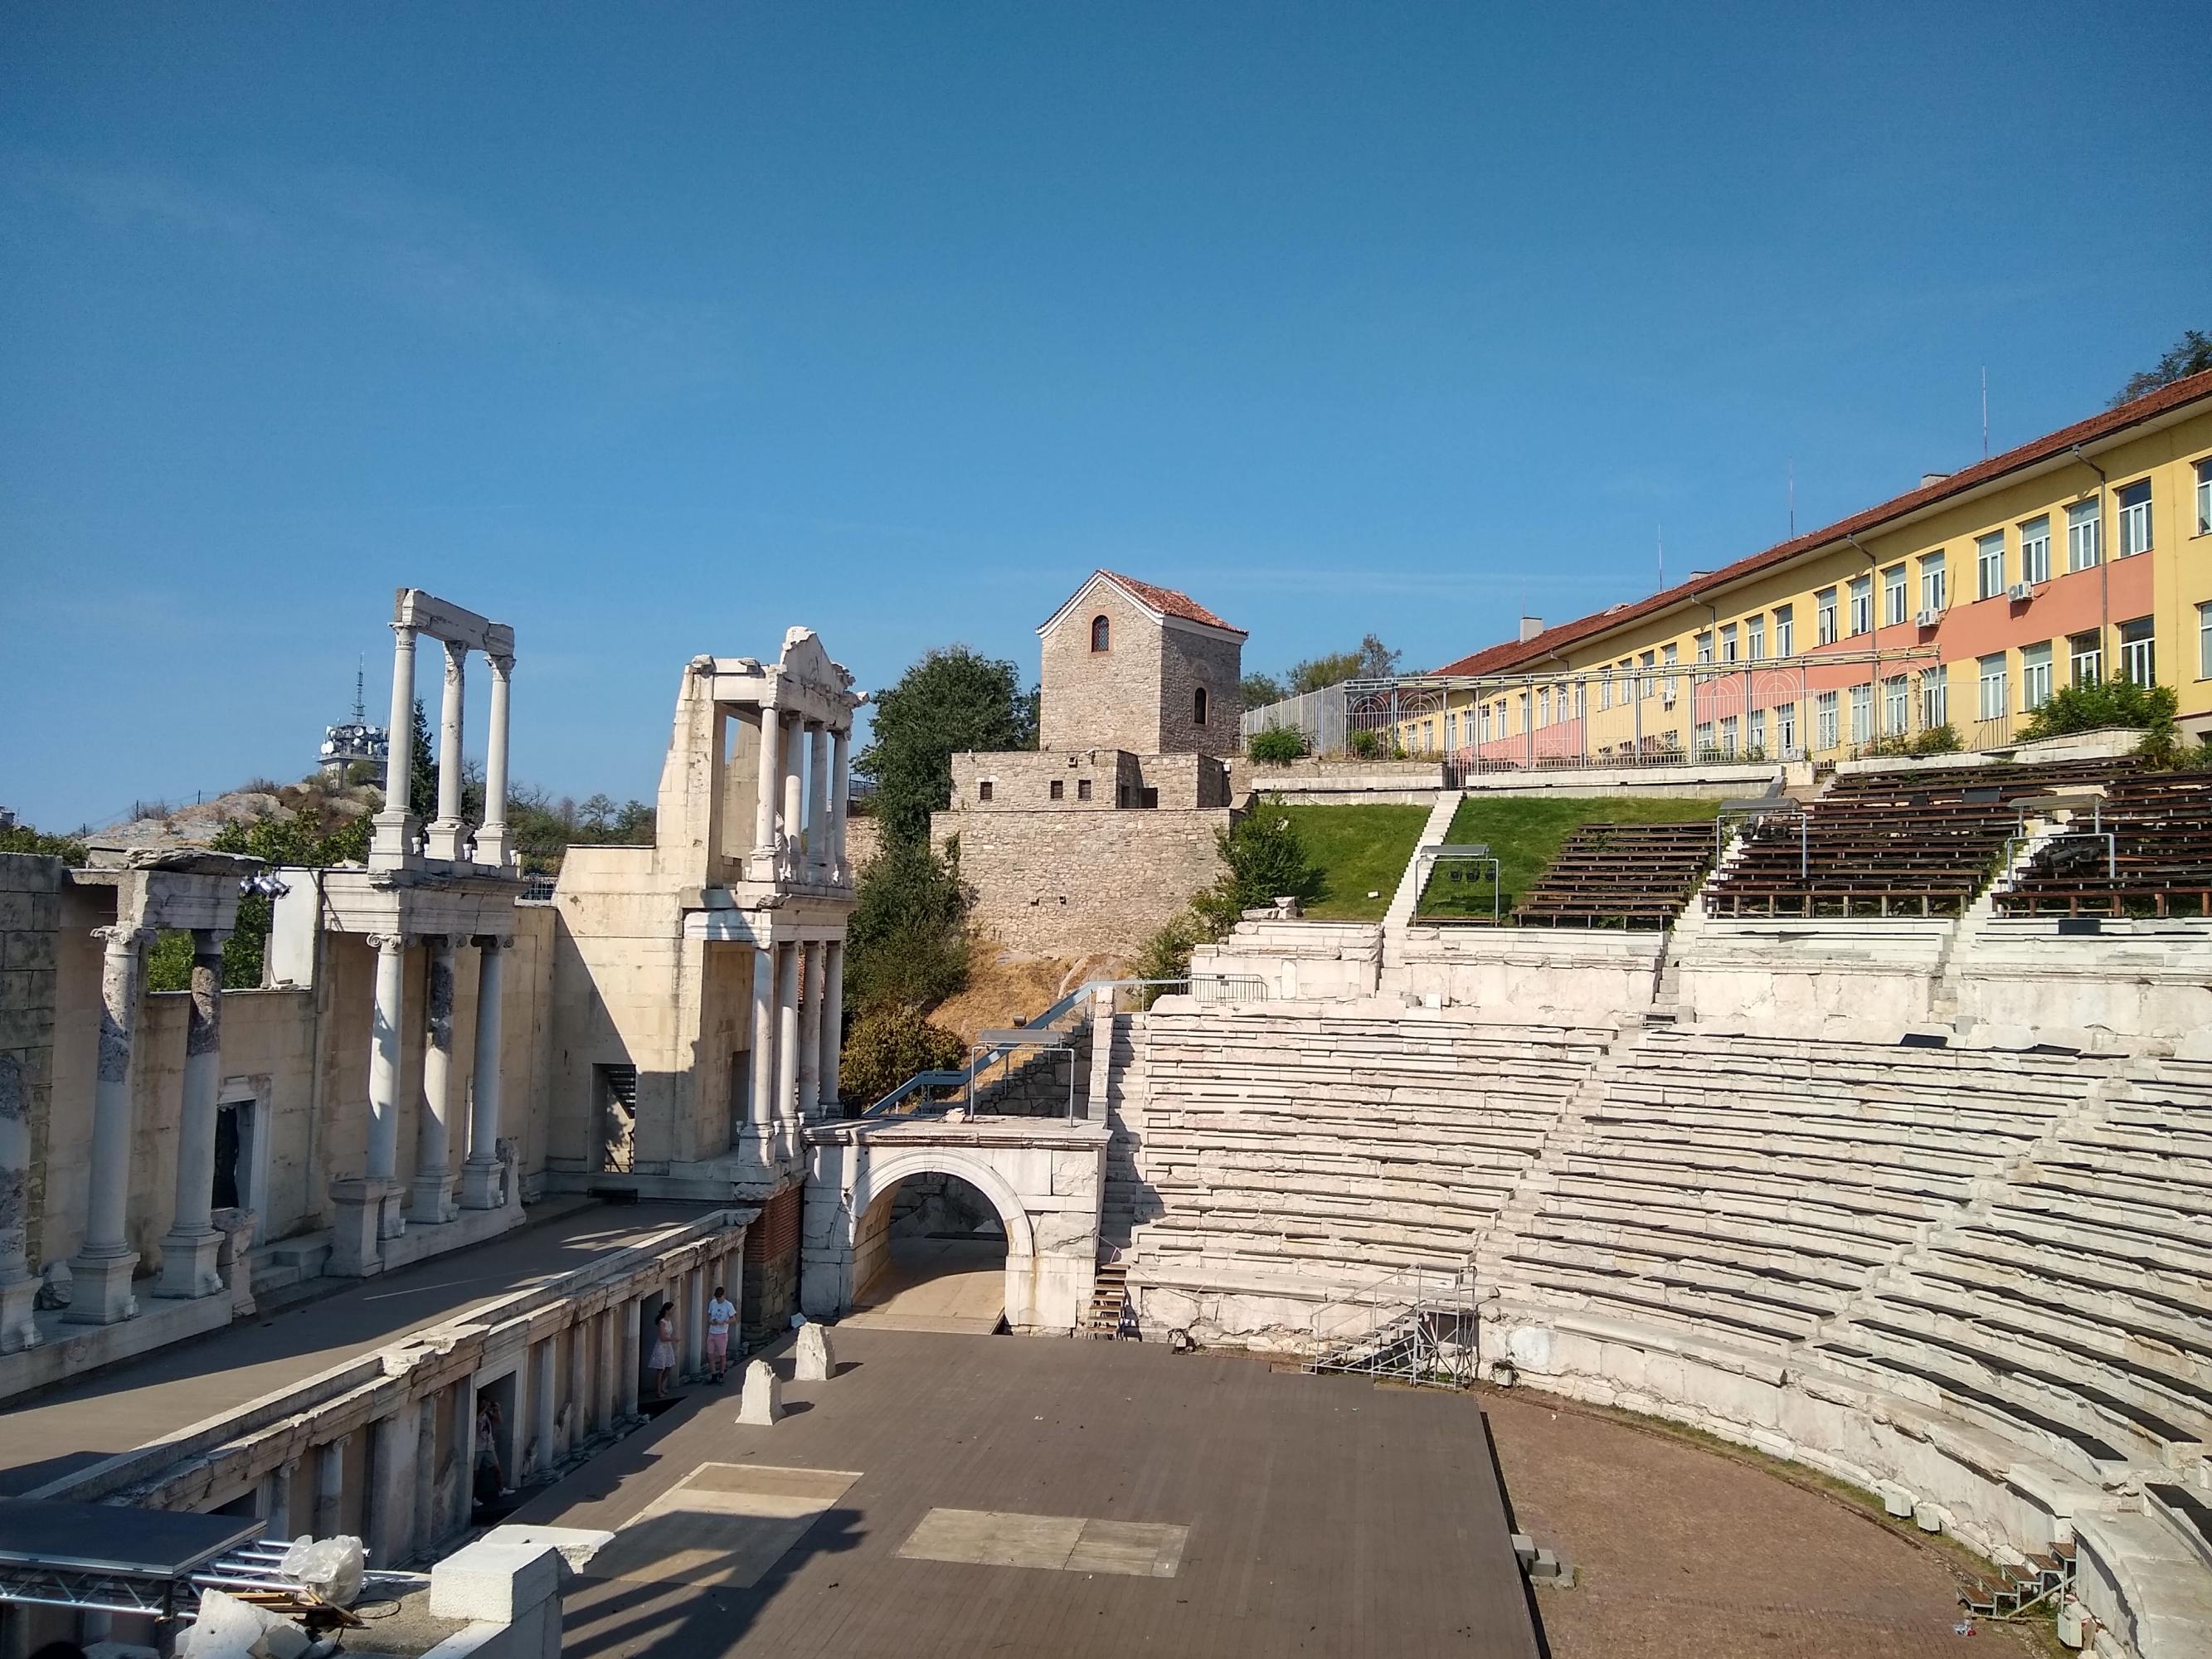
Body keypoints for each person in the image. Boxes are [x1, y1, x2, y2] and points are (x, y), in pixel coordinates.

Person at [474, 1399, 505, 1506]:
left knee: (497, 1469)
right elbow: (476, 1420)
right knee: (474, 1474)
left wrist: (497, 1410)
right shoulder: (475, 1414)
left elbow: (499, 1420)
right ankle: (472, 1498)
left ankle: (501, 1489)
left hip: (488, 1446)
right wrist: (483, 1409)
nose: (486, 1405)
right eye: (483, 1403)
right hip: (477, 1448)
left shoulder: (487, 1415)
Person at [705, 1285, 737, 1383]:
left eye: (720, 1297)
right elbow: (709, 1315)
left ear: (723, 1296)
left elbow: (734, 1319)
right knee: (710, 1354)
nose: (718, 1299)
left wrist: (724, 1322)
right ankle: (714, 1374)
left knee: (722, 1355)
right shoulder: (713, 1303)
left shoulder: (728, 1305)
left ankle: (721, 1374)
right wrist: (711, 1320)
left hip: (722, 1333)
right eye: (717, 1297)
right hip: (712, 1332)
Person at [649, 1303, 678, 1398]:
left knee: (668, 1367)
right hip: (661, 1347)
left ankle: (661, 1386)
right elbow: (662, 1338)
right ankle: (658, 1390)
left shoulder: (669, 1320)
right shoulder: (662, 1322)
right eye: (672, 1309)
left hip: (667, 1347)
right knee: (661, 1369)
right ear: (667, 1310)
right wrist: (673, 1339)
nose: (673, 1311)